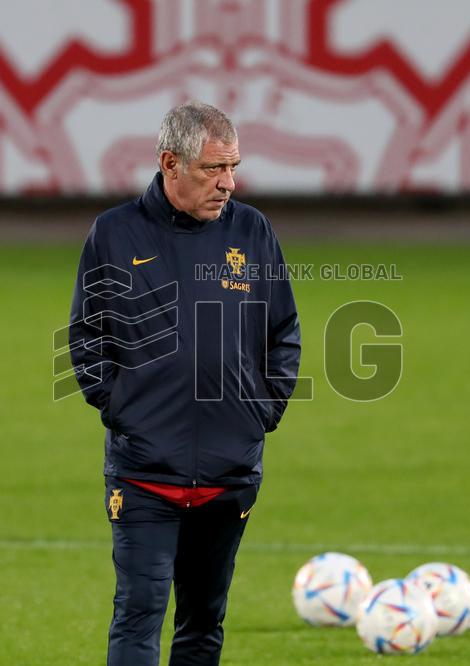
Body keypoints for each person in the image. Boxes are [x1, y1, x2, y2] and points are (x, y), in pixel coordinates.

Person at [68, 102, 301, 666]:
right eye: (213, 168)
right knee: (139, 611)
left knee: (203, 624)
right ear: (170, 163)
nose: (228, 183)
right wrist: (123, 409)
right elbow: (85, 337)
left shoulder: (252, 230)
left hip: (229, 472)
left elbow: (283, 332)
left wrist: (260, 413)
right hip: (145, 473)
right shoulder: (115, 233)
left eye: (234, 167)